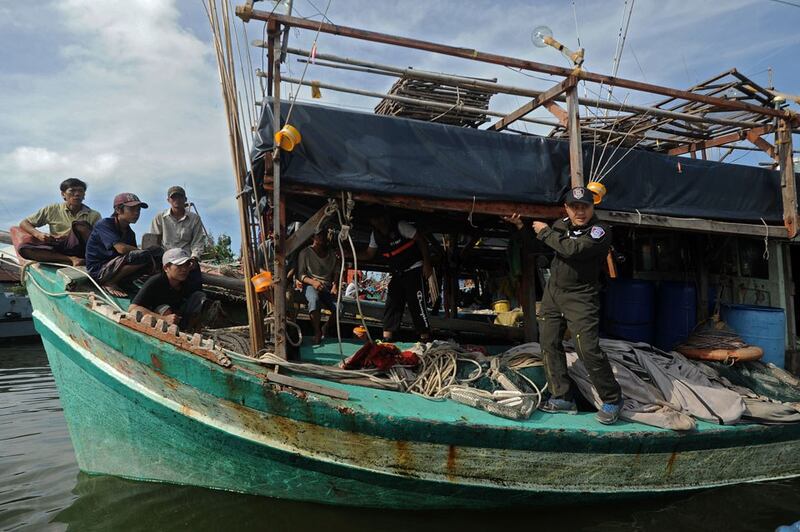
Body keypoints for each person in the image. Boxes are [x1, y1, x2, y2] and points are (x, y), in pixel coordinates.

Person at [511, 186, 623, 424]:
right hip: (554, 293)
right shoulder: (561, 225)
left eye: (585, 207)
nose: (580, 212)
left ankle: (612, 399)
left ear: (593, 207)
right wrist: (523, 228)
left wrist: (544, 233)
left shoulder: (600, 231)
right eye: (575, 207)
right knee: (548, 342)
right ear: (567, 208)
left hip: (581, 296)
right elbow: (538, 248)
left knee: (587, 349)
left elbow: (572, 249)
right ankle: (562, 397)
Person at [357, 207, 433, 342]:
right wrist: (348, 254)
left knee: (416, 302)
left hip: (413, 268)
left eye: (381, 217)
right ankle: (387, 338)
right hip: (398, 272)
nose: (379, 222)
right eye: (375, 219)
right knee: (392, 302)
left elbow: (421, 240)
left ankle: (424, 337)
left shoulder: (400, 226)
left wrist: (427, 264)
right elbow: (369, 254)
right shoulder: (375, 235)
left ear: (386, 217)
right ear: (372, 222)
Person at [85, 193, 159, 297]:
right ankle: (110, 282)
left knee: (157, 252)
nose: (137, 213)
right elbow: (121, 249)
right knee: (143, 255)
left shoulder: (130, 233)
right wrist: (146, 254)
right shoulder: (105, 224)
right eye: (132, 209)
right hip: (99, 270)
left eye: (138, 210)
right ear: (118, 210)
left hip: (116, 267)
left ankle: (125, 282)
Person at [16, 178, 101, 266]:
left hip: (83, 249)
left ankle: (89, 259)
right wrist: (39, 234)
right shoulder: (52, 209)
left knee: (79, 225)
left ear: (84, 195)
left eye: (80, 191)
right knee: (24, 249)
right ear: (63, 194)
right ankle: (71, 259)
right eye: (72, 191)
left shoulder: (94, 215)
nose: (77, 194)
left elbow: (100, 239)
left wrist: (69, 236)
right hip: (59, 247)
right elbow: (24, 223)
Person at [128, 248, 211, 331]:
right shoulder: (155, 282)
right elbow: (133, 308)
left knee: (199, 296)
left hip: (179, 315)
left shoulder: (187, 281)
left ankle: (190, 329)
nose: (184, 269)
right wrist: (163, 318)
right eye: (179, 265)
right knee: (164, 308)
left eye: (187, 265)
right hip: (160, 318)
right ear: (166, 268)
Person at [149, 186, 207, 291]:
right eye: (173, 197)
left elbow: (198, 241)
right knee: (159, 285)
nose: (177, 200)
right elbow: (154, 242)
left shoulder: (194, 218)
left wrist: (194, 258)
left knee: (195, 286)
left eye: (180, 197)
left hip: (186, 258)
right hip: (167, 259)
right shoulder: (160, 217)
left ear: (185, 199)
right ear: (168, 200)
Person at [297, 226, 339, 345]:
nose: (322, 238)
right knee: (314, 301)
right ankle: (317, 332)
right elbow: (301, 275)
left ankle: (325, 327)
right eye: (319, 235)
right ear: (313, 237)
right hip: (311, 284)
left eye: (324, 235)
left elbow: (337, 270)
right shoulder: (305, 253)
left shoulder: (332, 254)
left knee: (339, 308)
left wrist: (335, 285)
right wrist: (313, 282)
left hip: (327, 287)